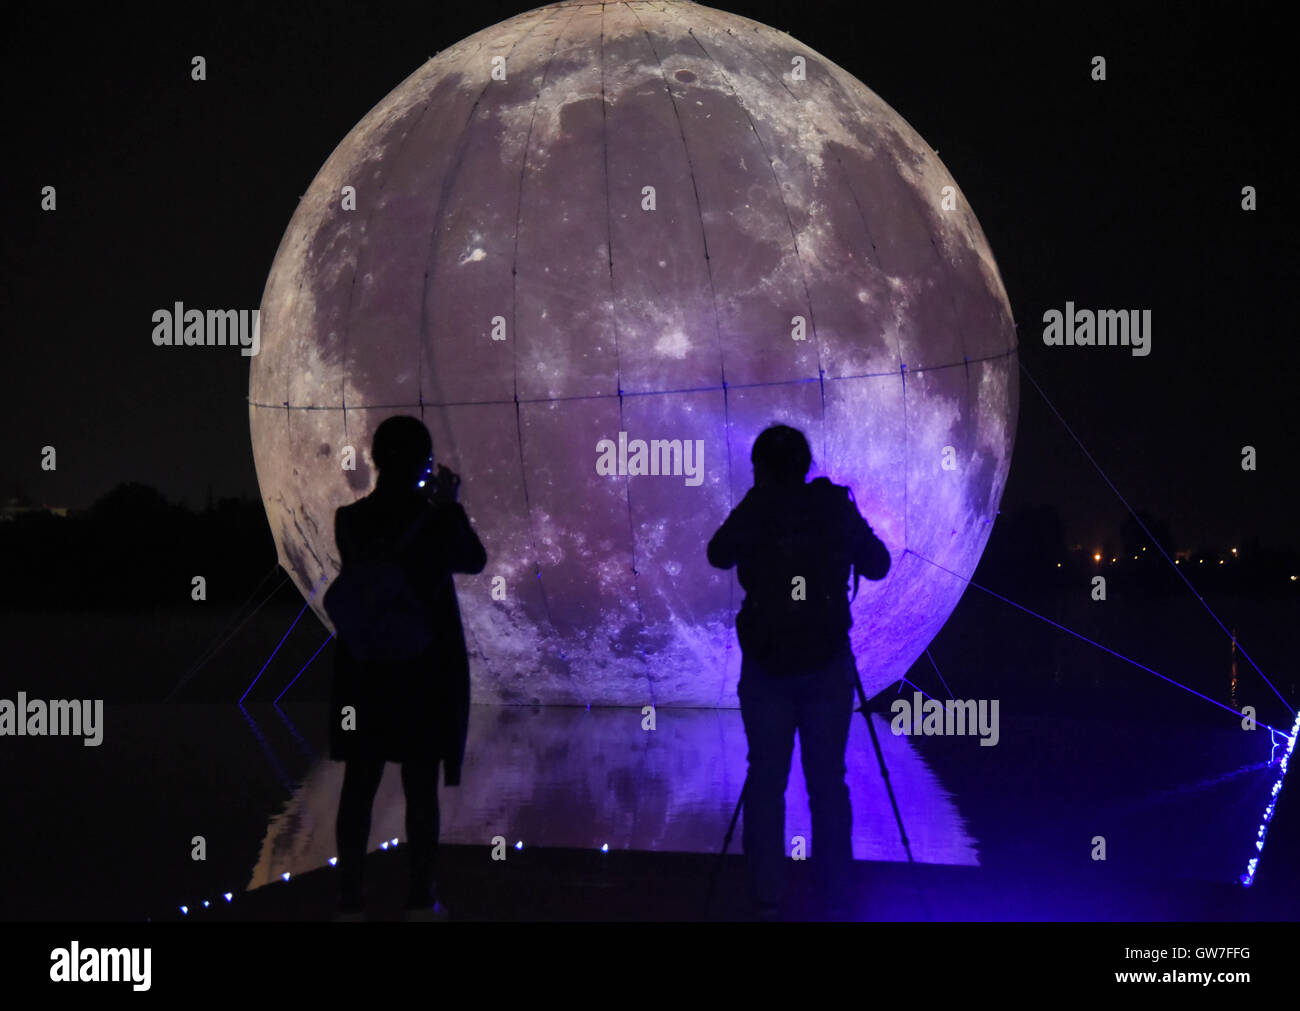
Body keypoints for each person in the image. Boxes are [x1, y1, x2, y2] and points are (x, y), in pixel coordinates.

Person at [707, 424, 891, 920]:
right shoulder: (832, 505)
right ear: (805, 464)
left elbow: (717, 552)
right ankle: (836, 894)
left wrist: (758, 506)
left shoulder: (758, 506)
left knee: (766, 781)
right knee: (828, 783)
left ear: (762, 467)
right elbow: (877, 565)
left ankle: (767, 895)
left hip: (766, 665)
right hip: (828, 663)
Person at [327, 415, 486, 921]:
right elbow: (474, 561)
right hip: (422, 671)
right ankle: (419, 898)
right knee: (421, 786)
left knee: (360, 783)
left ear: (375, 458)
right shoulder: (437, 521)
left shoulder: (348, 521)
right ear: (422, 462)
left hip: (366, 668)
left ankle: (350, 900)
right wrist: (449, 508)